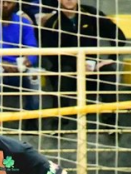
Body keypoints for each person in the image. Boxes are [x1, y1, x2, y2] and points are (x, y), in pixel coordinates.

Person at [40, 0, 125, 132]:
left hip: (92, 69)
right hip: (67, 70)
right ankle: (59, 124)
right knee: (64, 73)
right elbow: (49, 54)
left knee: (108, 72)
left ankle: (111, 123)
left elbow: (119, 36)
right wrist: (78, 64)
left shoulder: (91, 14)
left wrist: (110, 59)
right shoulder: (53, 22)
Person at [0, 0, 41, 118]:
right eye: (1, 2)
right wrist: (2, 63)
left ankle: (32, 119)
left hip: (19, 68)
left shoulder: (24, 23)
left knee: (34, 74)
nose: (5, 5)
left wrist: (29, 60)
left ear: (15, 4)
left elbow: (32, 49)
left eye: (9, 2)